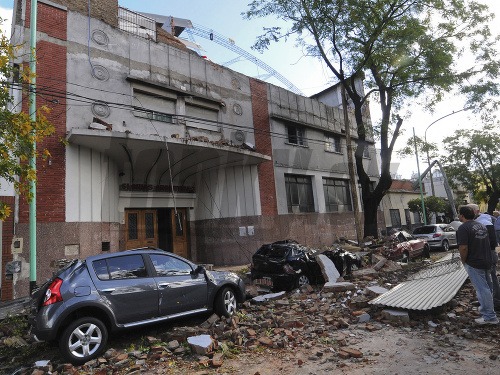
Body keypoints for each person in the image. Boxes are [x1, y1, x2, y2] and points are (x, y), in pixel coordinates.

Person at [457, 205, 498, 324]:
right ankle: (487, 310)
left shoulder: (463, 228)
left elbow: (463, 247)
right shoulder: (481, 225)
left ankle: (490, 317)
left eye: (460, 214)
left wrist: (463, 261)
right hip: (486, 260)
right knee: (487, 287)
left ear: (462, 215)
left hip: (474, 262)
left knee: (482, 289)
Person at [467, 204, 500, 309]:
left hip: (488, 253)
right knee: (486, 278)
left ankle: (494, 301)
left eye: (470, 211)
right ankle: (488, 300)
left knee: (490, 277)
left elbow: (492, 242)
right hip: (485, 254)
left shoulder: (485, 222)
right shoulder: (481, 222)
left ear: (476, 211)